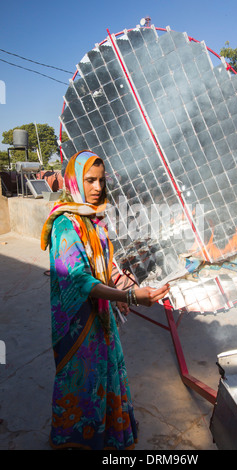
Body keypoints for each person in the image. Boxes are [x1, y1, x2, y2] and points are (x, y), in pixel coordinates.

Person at [41, 150, 169, 450]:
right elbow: (81, 280)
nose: (98, 187)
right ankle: (76, 441)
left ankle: (107, 437)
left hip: (100, 317)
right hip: (77, 324)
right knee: (82, 381)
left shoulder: (93, 219)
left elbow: (104, 262)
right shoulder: (65, 224)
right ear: (74, 181)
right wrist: (129, 296)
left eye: (101, 180)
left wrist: (120, 283)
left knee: (105, 375)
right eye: (89, 180)